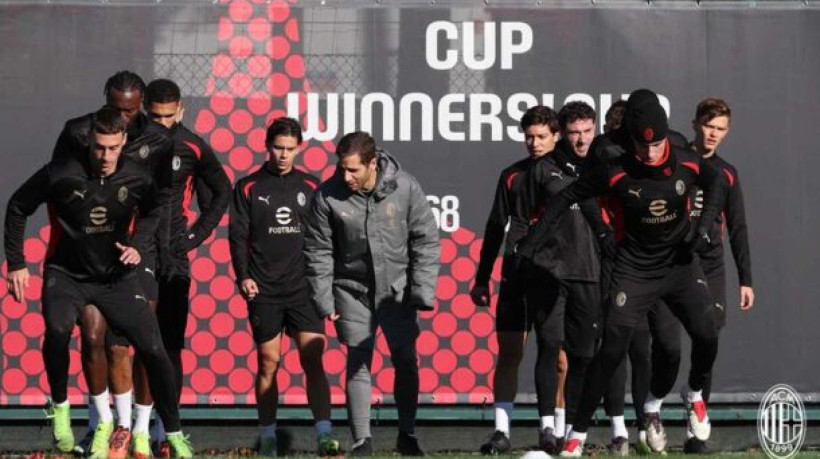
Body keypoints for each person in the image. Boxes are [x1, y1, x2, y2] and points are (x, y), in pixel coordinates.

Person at [517, 90, 726, 457]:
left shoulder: (685, 157)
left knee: (705, 335)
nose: (650, 153)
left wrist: (704, 227)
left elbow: (718, 182)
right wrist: (530, 247)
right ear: (630, 139)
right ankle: (577, 435)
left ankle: (692, 394)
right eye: (642, 146)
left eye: (656, 145)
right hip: (634, 268)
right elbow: (568, 197)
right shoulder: (612, 164)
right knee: (611, 350)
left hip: (678, 264)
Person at [4, 107, 193, 458]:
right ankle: (60, 407)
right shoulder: (62, 172)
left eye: (113, 148)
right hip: (67, 275)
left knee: (154, 349)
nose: (106, 157)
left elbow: (155, 210)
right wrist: (16, 263)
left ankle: (174, 433)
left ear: (124, 143)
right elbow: (17, 206)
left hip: (115, 279)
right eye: (99, 148)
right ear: (90, 142)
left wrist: (138, 246)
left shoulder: (137, 176)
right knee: (58, 330)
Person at [98, 78, 229, 458]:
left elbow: (222, 191)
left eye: (169, 117)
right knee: (121, 343)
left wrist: (195, 235)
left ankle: (164, 431)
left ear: (181, 111)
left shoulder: (191, 145)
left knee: (168, 348)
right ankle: (122, 428)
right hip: (133, 253)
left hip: (173, 258)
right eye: (155, 116)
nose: (162, 123)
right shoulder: (130, 143)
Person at [50, 70, 175, 457]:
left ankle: (142, 432)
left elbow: (161, 200)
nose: (122, 117)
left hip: (141, 250)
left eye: (130, 111)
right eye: (115, 108)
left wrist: (156, 246)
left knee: (145, 342)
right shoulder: (77, 132)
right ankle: (103, 427)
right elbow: (58, 187)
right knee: (94, 338)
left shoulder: (158, 140)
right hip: (92, 251)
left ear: (142, 107)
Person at [304, 131, 440, 456]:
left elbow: (425, 239)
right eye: (342, 169)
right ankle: (362, 440)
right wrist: (324, 299)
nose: (346, 176)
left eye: (353, 170)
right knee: (358, 360)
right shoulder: (327, 196)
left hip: (397, 290)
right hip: (351, 290)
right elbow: (318, 251)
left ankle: (407, 434)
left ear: (373, 164)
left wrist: (421, 289)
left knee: (405, 360)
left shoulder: (405, 187)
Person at [229, 117, 340, 457]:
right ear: (268, 146)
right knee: (268, 362)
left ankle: (324, 435)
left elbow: (324, 238)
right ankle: (267, 436)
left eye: (290, 149)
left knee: (313, 357)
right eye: (278, 147)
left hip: (302, 288)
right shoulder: (248, 187)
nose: (283, 155)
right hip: (264, 289)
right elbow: (238, 236)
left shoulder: (311, 186)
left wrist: (326, 283)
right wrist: (244, 276)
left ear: (299, 148)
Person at [517, 101, 608, 453]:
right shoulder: (543, 169)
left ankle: (571, 429)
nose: (581, 139)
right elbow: (521, 218)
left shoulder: (604, 166)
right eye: (574, 133)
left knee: (583, 354)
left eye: (587, 132)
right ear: (562, 134)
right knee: (549, 344)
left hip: (589, 272)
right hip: (549, 270)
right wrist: (521, 257)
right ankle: (546, 428)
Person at [469, 106, 561, 455]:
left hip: (554, 274)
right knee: (510, 351)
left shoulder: (569, 174)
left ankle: (553, 429)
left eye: (541, 137)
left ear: (556, 136)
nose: (534, 143)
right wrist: (482, 278)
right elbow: (496, 227)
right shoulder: (511, 175)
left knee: (557, 354)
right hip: (516, 272)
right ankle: (501, 431)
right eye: (529, 137)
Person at [680, 97, 754, 453]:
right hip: (672, 262)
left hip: (710, 264)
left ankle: (695, 431)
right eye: (708, 126)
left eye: (720, 129)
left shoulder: (727, 173)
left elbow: (737, 227)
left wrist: (746, 279)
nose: (713, 134)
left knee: (707, 341)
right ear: (695, 123)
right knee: (663, 347)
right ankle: (647, 423)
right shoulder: (676, 159)